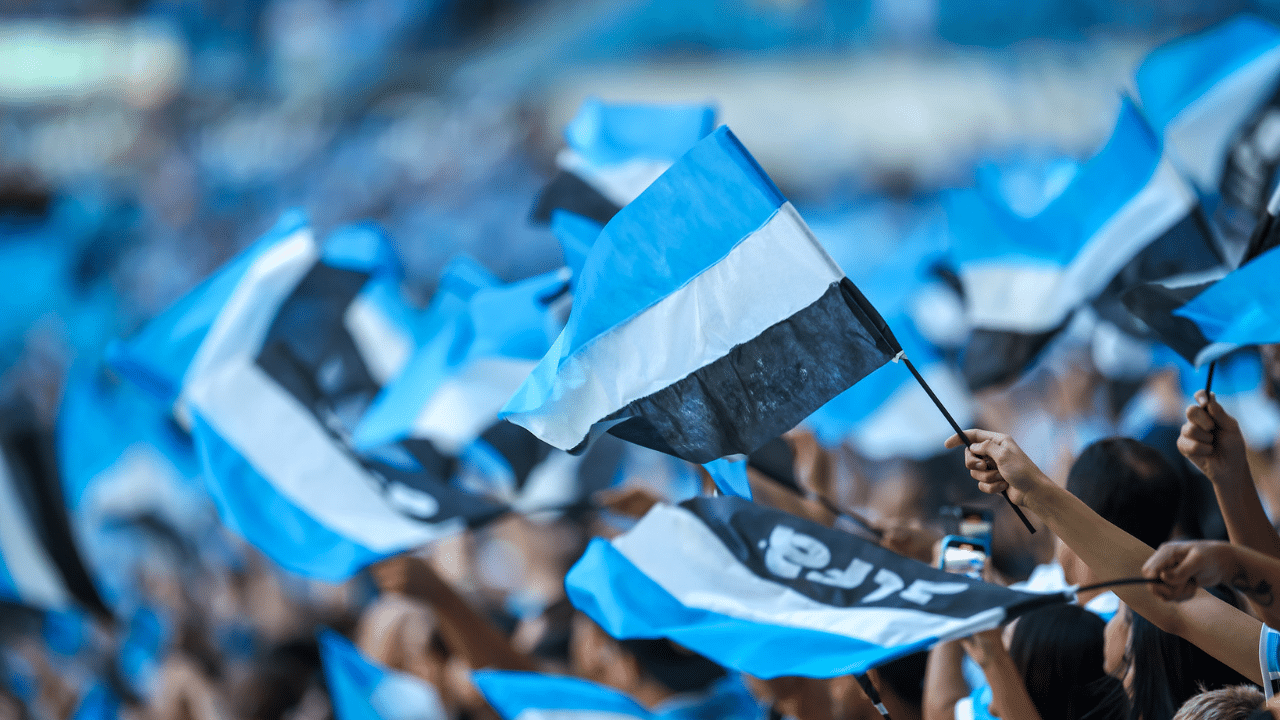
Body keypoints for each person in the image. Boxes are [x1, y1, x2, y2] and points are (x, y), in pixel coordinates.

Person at [943, 429, 1264, 687]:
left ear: (1079, 509)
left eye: (1063, 491)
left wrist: (969, 615)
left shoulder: (1118, 631)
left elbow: (943, 710)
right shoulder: (1059, 588)